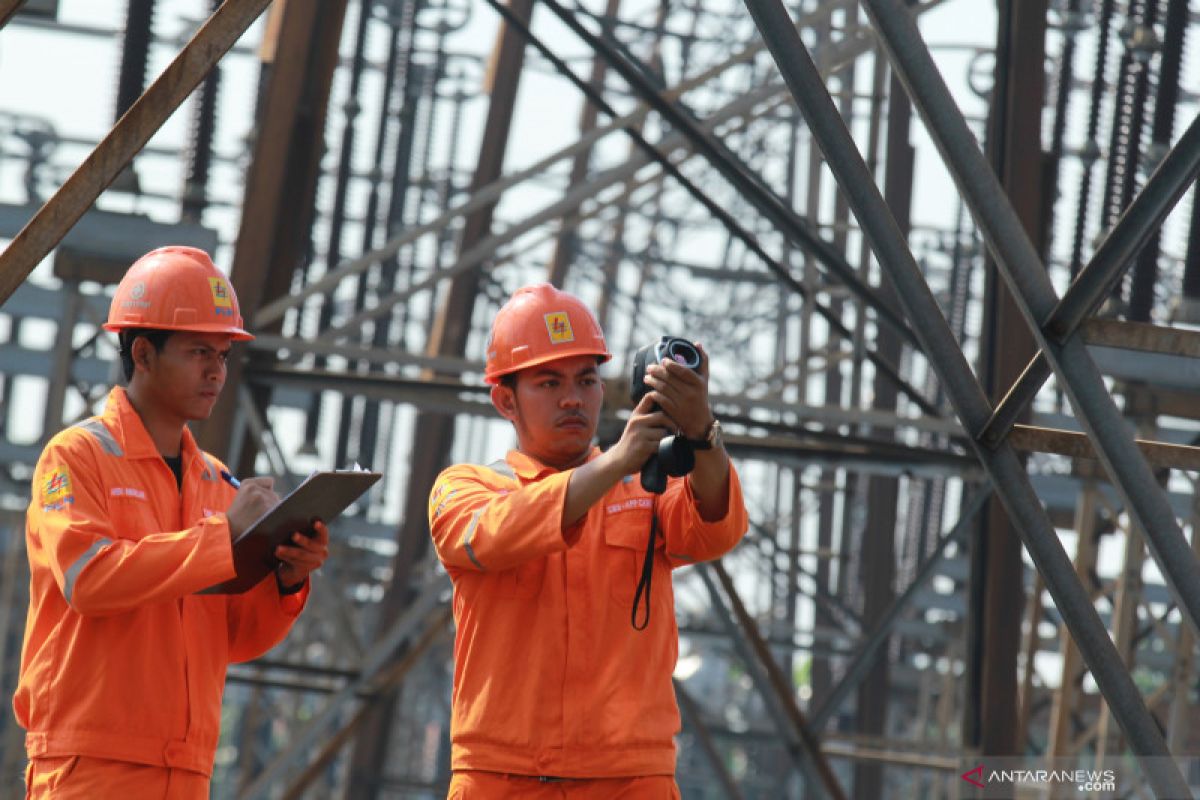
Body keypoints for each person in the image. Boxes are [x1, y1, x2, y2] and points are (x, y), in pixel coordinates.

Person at [13, 246, 329, 798]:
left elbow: (232, 636)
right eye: (198, 351)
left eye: (224, 355)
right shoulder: (76, 458)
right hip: (91, 768)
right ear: (143, 353)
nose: (216, 371)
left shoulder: (215, 482)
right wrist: (223, 536)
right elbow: (88, 580)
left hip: (184, 771)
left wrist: (286, 578)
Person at [428, 283, 748, 798]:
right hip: (503, 777)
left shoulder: (645, 489)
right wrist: (616, 461)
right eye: (549, 383)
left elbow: (715, 526)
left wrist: (702, 432)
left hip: (629, 778)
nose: (573, 397)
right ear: (505, 400)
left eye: (586, 379)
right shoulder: (467, 488)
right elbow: (496, 533)